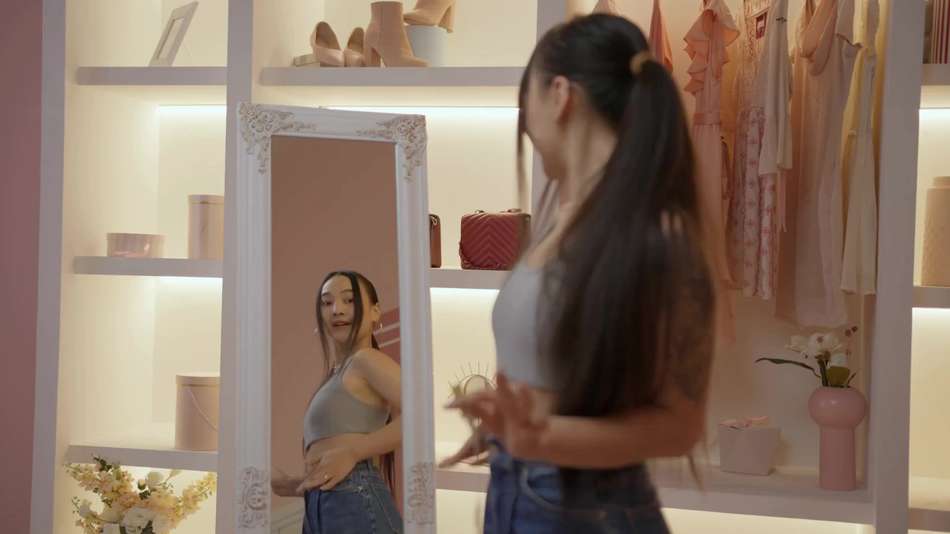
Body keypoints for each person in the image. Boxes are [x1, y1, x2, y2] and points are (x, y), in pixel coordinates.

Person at [442, 14, 717, 534]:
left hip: (587, 510)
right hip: (521, 490)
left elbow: (679, 426)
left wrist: (540, 436)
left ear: (560, 95)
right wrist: (506, 430)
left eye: (525, 101)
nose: (525, 125)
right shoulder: (560, 220)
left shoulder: (656, 235)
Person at [271, 271, 403, 534]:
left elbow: (420, 417)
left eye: (349, 300)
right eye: (327, 302)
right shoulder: (337, 373)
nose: (337, 310)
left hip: (354, 498)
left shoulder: (366, 360)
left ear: (375, 312)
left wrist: (353, 453)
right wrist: (300, 483)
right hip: (323, 505)